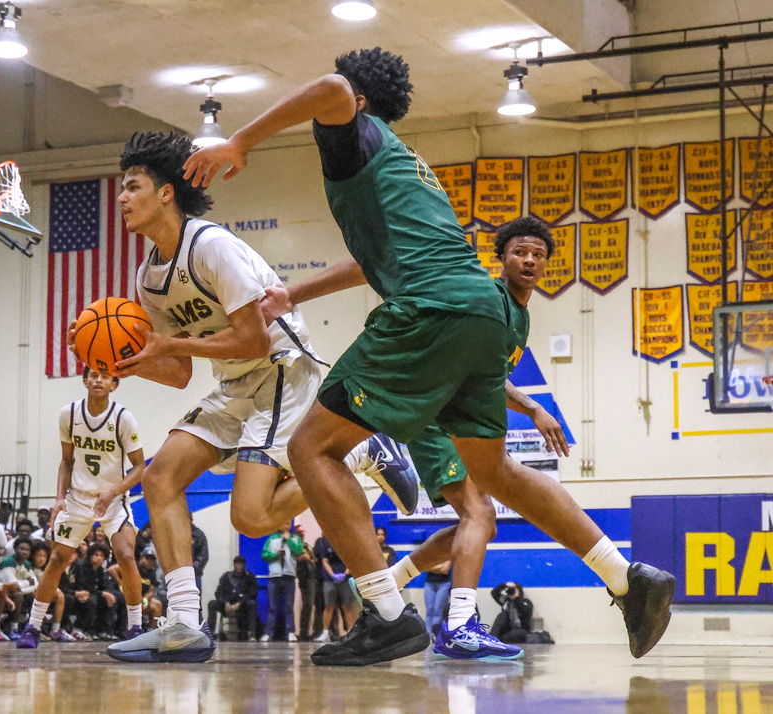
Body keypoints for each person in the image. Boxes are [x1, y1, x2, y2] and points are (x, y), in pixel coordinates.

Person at [184, 46, 675, 665]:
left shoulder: (353, 134)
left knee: (312, 448)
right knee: (495, 474)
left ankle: (387, 613)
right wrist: (292, 294)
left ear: (361, 102)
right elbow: (372, 260)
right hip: (484, 314)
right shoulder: (403, 163)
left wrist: (240, 142)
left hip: (428, 309)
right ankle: (626, 577)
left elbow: (331, 86)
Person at [99, 132, 417, 664]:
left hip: (282, 372)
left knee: (250, 517)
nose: (122, 197)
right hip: (235, 385)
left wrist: (171, 344)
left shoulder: (210, 246)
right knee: (160, 477)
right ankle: (183, 623)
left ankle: (360, 451)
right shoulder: (149, 278)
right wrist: (121, 360)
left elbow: (253, 340)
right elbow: (177, 371)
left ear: (166, 193)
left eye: (133, 186)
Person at [271, 217, 564, 661]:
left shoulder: (518, 317)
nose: (528, 260)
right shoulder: (490, 300)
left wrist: (527, 411)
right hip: (436, 413)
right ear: (501, 258)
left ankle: (393, 581)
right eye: (519, 252)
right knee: (480, 513)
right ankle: (460, 625)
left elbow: (485, 379)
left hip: (453, 412)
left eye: (537, 255)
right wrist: (533, 408)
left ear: (545, 265)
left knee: (481, 523)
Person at [16, 368, 145, 649]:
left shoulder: (123, 418)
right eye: (94, 375)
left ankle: (135, 627)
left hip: (113, 499)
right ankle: (33, 627)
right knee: (57, 559)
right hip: (77, 498)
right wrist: (59, 498)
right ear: (84, 380)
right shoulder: (69, 414)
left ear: (114, 384)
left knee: (126, 555)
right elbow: (66, 461)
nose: (99, 380)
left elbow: (139, 468)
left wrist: (113, 492)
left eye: (105, 376)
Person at [261, 523, 303, 642]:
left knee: (289, 606)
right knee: (272, 607)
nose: (285, 525)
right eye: (282, 523)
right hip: (275, 576)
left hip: (289, 575)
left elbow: (298, 551)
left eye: (287, 523)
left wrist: (288, 539)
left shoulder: (295, 539)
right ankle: (268, 633)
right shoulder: (272, 538)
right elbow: (264, 555)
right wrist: (275, 555)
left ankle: (290, 632)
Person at [313, 534, 358, 643]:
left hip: (345, 579)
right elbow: (324, 561)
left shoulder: (346, 541)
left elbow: (351, 560)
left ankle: (351, 632)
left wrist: (345, 573)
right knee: (329, 606)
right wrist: (332, 574)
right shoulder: (325, 542)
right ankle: (325, 632)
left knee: (347, 606)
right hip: (330, 579)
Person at [206, 555, 258, 641]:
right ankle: (210, 633)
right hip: (227, 604)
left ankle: (251, 634)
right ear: (234, 564)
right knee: (212, 604)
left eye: (241, 564)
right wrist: (225, 602)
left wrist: (240, 603)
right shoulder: (226, 577)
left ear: (244, 565)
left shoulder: (250, 577)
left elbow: (253, 593)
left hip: (242, 605)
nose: (239, 566)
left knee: (252, 604)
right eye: (237, 563)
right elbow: (218, 592)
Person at [293, 523, 320, 640]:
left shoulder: (307, 546)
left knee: (317, 604)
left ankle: (315, 631)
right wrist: (301, 558)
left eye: (302, 532)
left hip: (313, 576)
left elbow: (314, 559)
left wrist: (310, 559)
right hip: (304, 577)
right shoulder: (294, 546)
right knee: (307, 604)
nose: (301, 534)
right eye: (299, 532)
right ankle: (303, 632)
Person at [423, 561, 452, 638]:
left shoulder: (447, 555)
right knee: (429, 610)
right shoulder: (431, 555)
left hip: (444, 583)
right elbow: (425, 567)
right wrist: (439, 567)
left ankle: (436, 635)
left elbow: (445, 570)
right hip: (429, 583)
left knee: (438, 610)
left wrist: (432, 567)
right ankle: (428, 635)